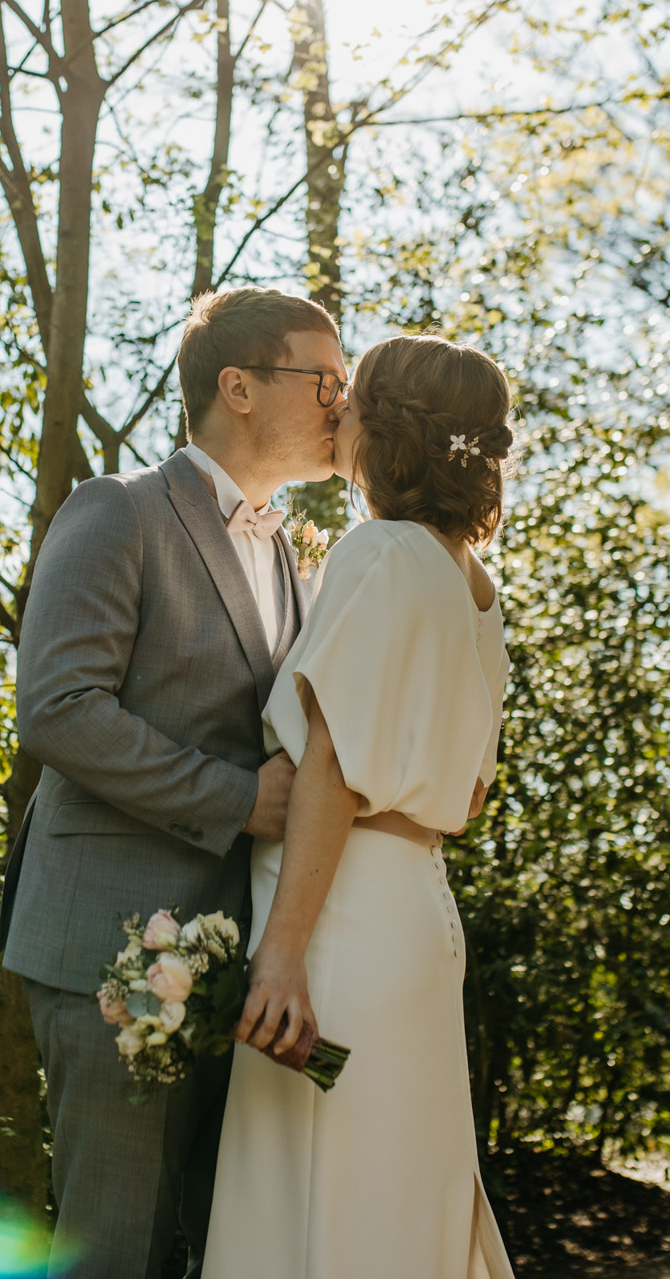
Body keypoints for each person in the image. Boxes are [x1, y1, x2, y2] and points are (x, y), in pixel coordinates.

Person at [0, 286, 349, 1278]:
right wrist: (241, 799)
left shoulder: (294, 551)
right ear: (239, 386)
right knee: (118, 1253)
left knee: (234, 1251)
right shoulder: (119, 510)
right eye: (326, 380)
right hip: (112, 951)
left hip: (243, 963)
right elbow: (60, 707)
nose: (343, 401)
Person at [205, 334, 518, 1279]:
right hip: (416, 911)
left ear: (391, 429)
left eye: (354, 396)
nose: (336, 410)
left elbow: (333, 765)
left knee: (318, 1192)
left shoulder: (380, 552)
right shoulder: (475, 587)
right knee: (391, 1184)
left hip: (339, 922)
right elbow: (468, 792)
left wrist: (282, 954)